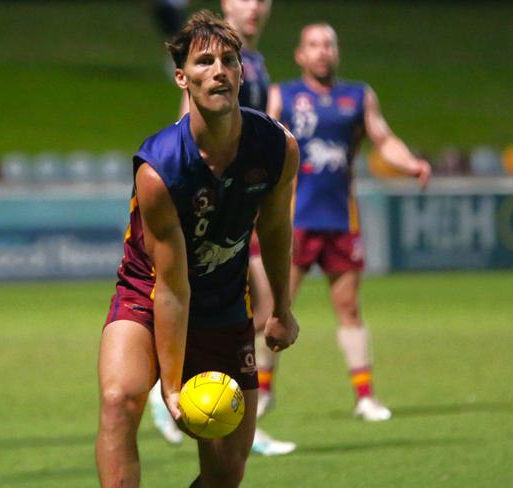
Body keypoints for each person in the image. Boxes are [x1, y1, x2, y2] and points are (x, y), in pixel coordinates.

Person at [95, 11, 299, 487]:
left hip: (225, 302)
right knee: (119, 398)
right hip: (146, 294)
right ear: (182, 77)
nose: (219, 69)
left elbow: (274, 227)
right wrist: (170, 388)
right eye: (204, 61)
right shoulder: (160, 168)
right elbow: (171, 288)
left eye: (229, 59)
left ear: (242, 72)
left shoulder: (277, 147)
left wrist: (282, 310)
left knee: (227, 471)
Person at [149, 0, 296, 456]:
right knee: (240, 304)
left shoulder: (252, 62)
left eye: (261, 0)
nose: (254, 7)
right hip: (210, 207)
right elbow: (186, 125)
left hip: (242, 202)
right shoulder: (212, 54)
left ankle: (228, 408)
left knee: (250, 308)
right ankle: (174, 394)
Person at [267, 23, 431, 421]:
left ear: (336, 52)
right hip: (293, 223)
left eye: (328, 45)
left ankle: (365, 398)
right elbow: (262, 142)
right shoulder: (283, 96)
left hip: (342, 220)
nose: (322, 52)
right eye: (314, 45)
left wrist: (410, 164)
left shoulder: (358, 96)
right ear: (300, 55)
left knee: (350, 310)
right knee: (272, 311)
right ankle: (263, 393)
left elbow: (383, 138)